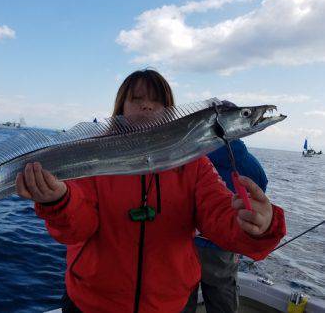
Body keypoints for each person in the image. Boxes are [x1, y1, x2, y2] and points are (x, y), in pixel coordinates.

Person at [15, 69, 286, 313]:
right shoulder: (95, 157)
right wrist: (58, 200)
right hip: (91, 302)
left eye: (156, 101)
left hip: (168, 305)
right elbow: (77, 229)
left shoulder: (195, 165)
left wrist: (258, 225)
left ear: (169, 110)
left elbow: (218, 216)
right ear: (120, 107)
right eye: (136, 99)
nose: (146, 105)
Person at [183, 101, 269, 312]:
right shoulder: (252, 166)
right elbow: (260, 193)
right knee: (222, 302)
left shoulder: (193, 158)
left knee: (185, 297)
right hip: (223, 250)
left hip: (190, 244)